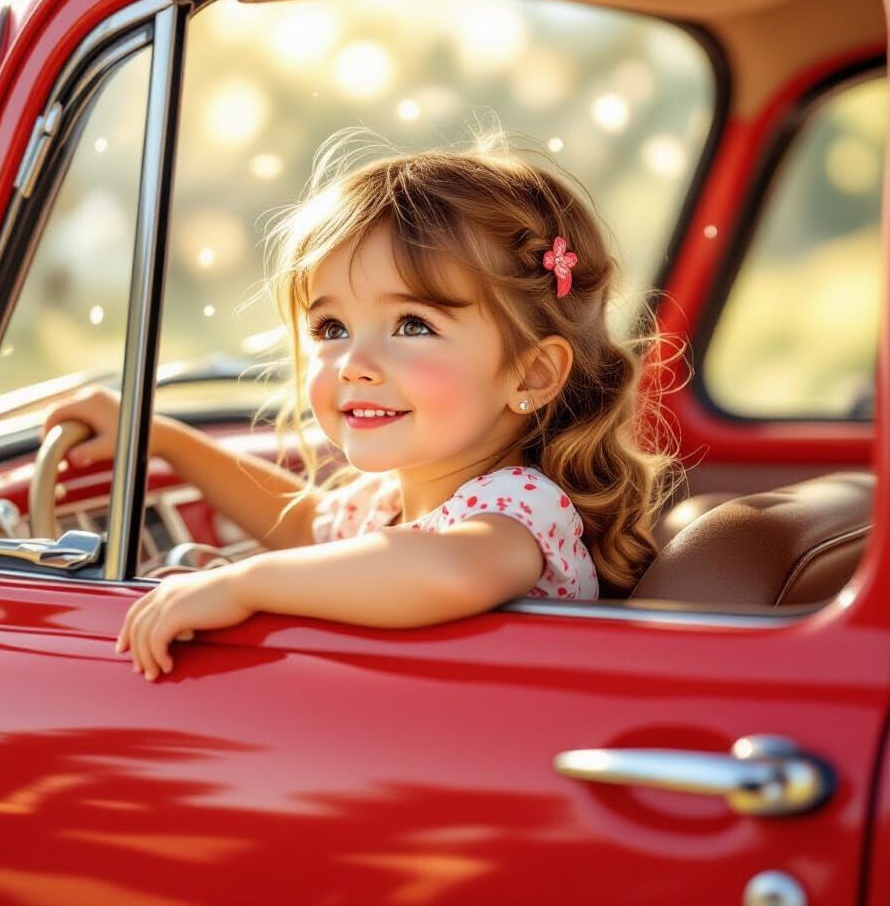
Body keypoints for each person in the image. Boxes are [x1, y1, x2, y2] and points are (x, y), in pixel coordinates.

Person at [44, 139, 685, 681]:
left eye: (412, 324)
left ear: (531, 372)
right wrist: (164, 440)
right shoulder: (389, 505)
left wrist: (243, 585)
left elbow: (448, 572)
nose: (354, 362)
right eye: (330, 328)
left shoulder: (520, 510)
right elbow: (306, 528)